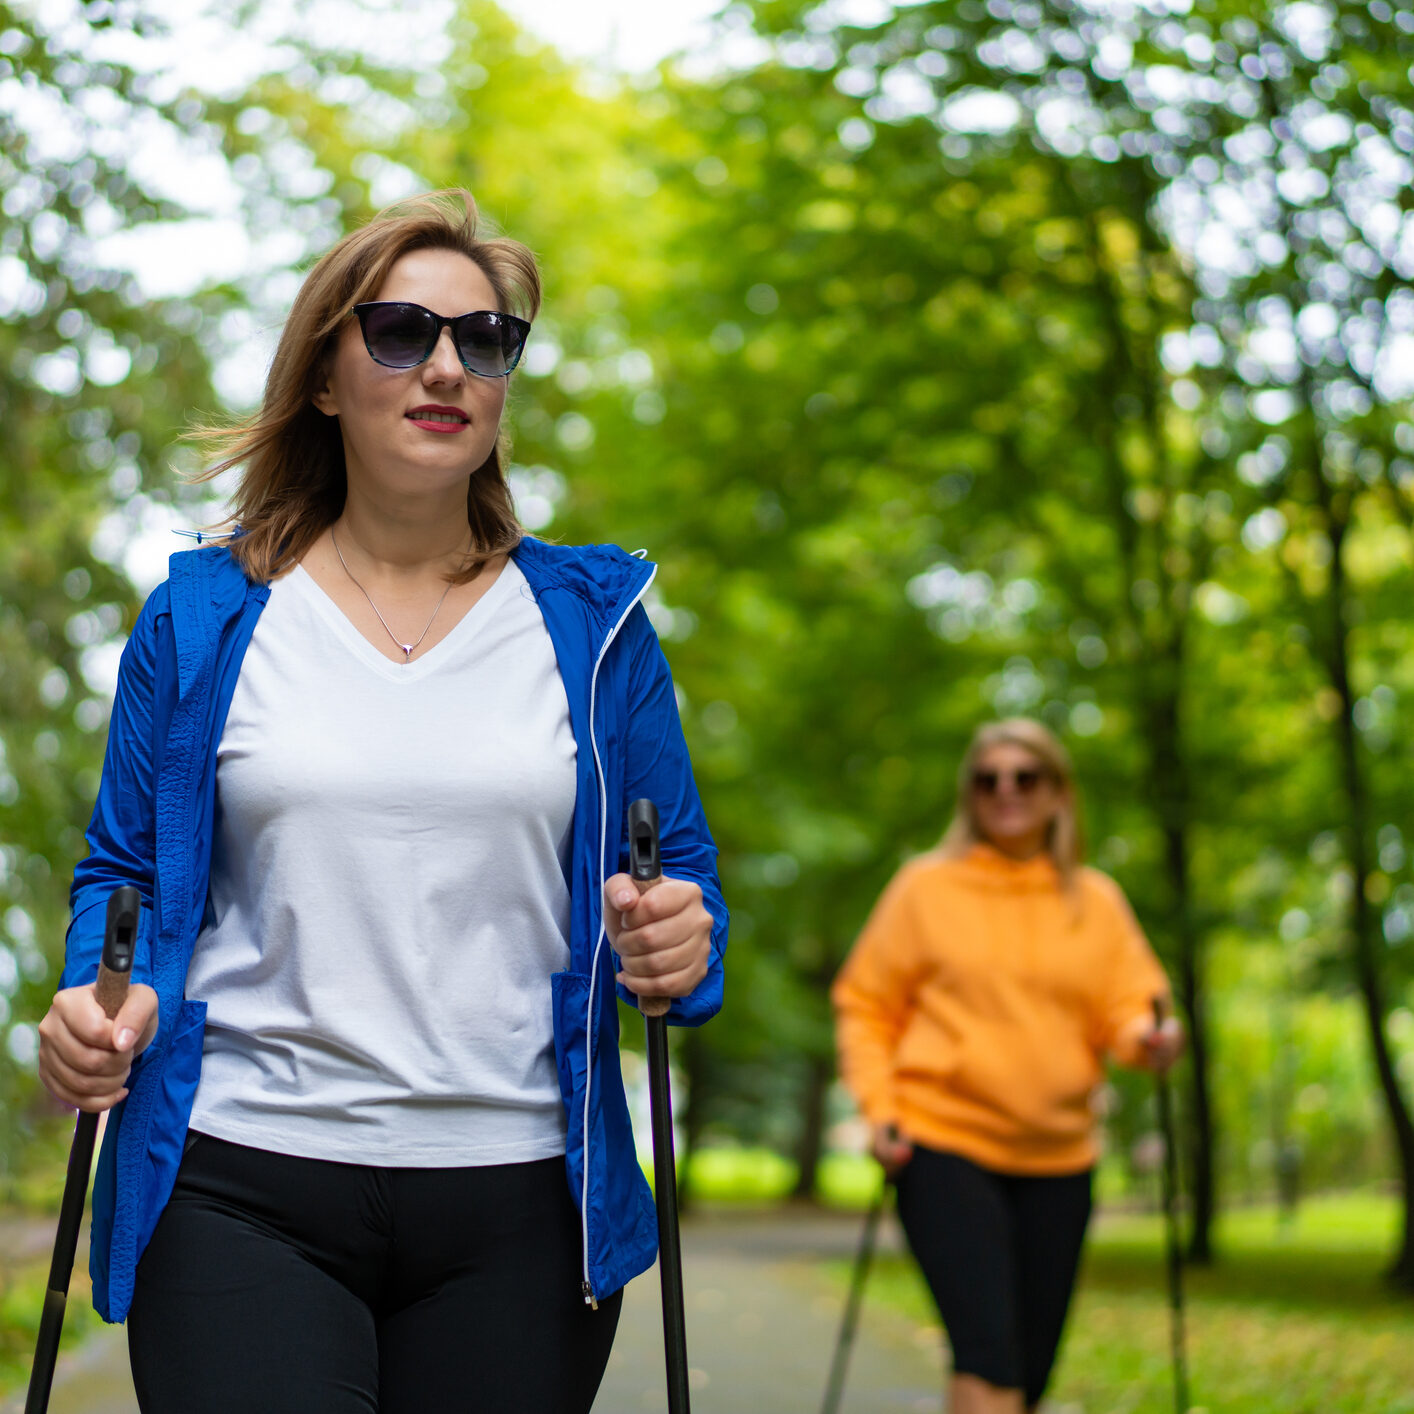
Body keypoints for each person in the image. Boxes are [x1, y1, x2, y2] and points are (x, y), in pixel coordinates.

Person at [35, 189, 727, 1414]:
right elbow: (121, 876)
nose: (447, 364)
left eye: (485, 338)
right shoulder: (204, 619)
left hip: (519, 1202)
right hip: (239, 1182)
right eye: (402, 332)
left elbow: (678, 898)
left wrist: (679, 943)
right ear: (323, 375)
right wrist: (98, 996)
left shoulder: (596, 630)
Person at [831, 718, 1182, 1414]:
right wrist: (881, 1110)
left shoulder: (1096, 901)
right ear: (970, 795)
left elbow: (1128, 1008)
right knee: (988, 1356)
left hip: (1060, 1158)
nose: (1006, 792)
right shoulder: (925, 889)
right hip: (941, 1143)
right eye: (988, 779)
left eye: (1026, 777)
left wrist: (1150, 1039)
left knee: (1029, 1369)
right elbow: (865, 1006)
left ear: (1058, 793)